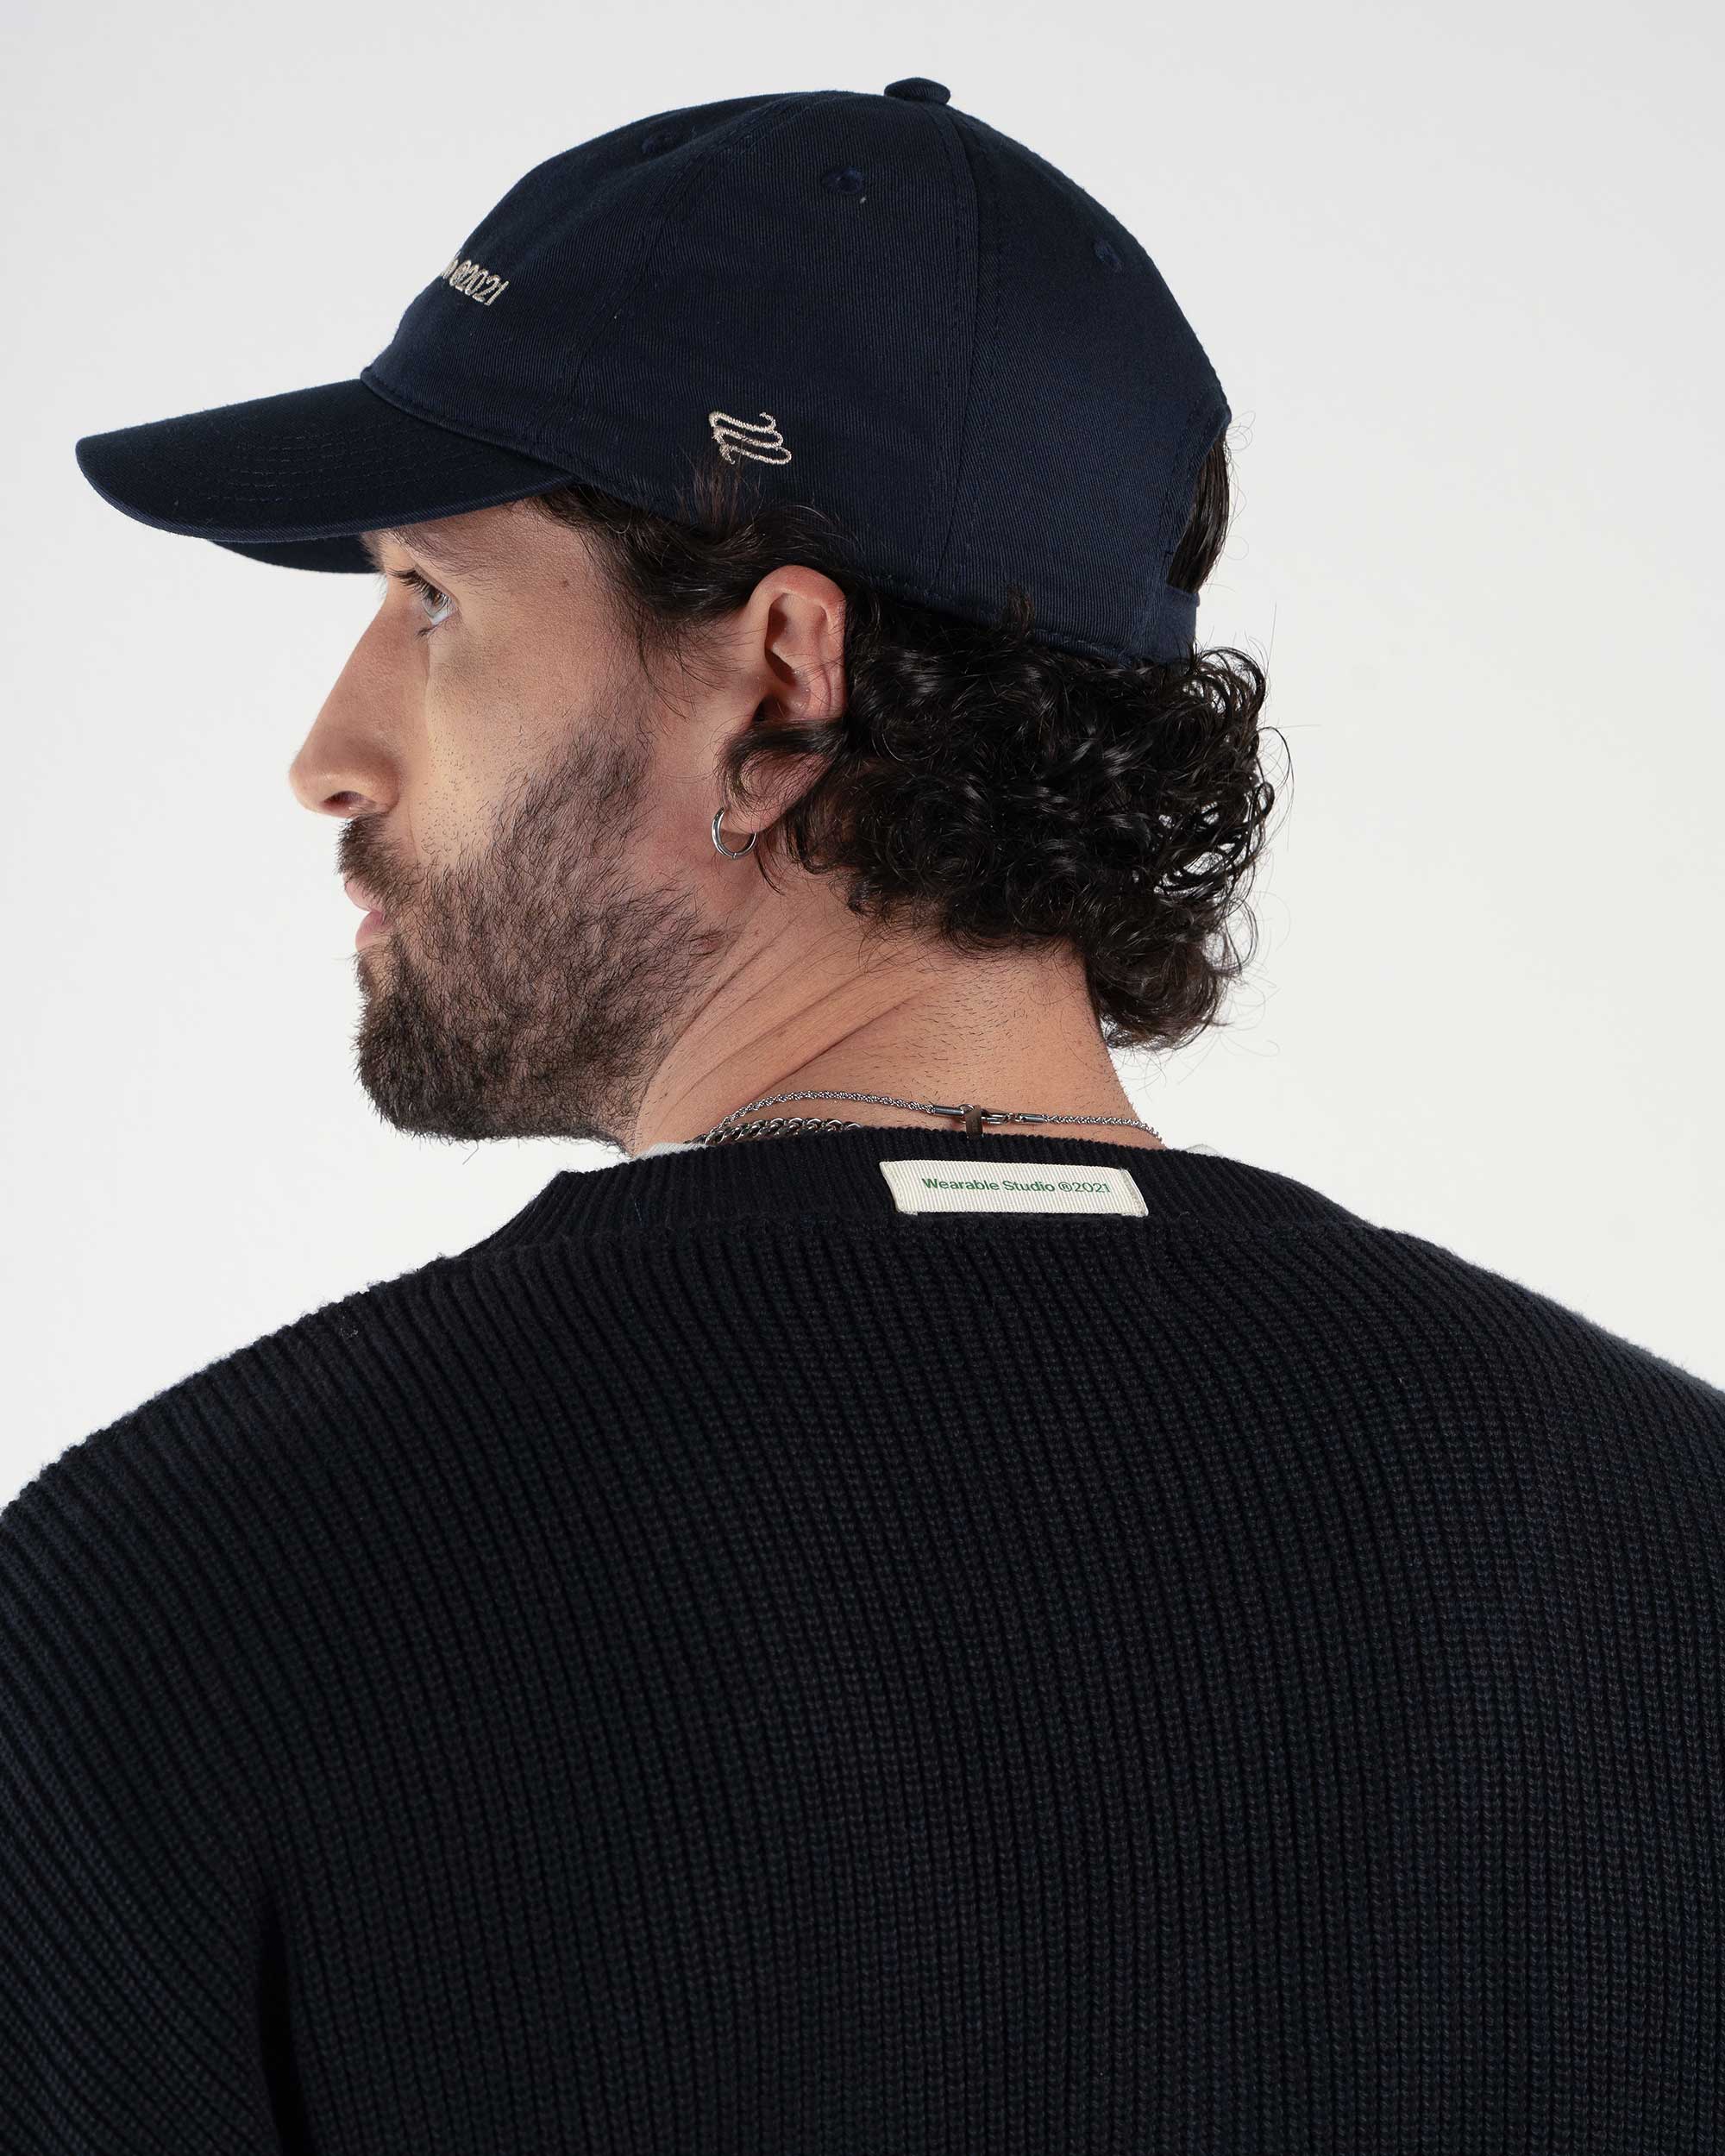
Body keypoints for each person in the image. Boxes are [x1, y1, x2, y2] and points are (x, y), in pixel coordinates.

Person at [7, 74, 1722, 2156]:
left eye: (431, 600)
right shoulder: (1667, 1542)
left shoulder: (189, 1604)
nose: (330, 752)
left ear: (779, 679)